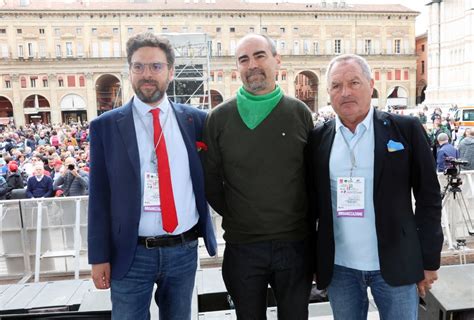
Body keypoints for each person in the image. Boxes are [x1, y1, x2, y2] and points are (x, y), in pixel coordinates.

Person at [87, 32, 216, 320]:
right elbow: (99, 196)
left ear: (170, 71)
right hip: (130, 254)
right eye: (139, 66)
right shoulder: (105, 127)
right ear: (129, 70)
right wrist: (98, 257)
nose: (147, 74)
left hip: (183, 250)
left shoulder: (196, 121)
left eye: (156, 66)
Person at [306, 54, 443, 320]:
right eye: (336, 86)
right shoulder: (318, 139)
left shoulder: (405, 130)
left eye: (354, 82)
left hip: (396, 263)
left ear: (371, 85)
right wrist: (313, 261)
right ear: (328, 93)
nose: (345, 92)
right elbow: (310, 207)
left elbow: (428, 198)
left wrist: (429, 260)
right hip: (340, 269)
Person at [203, 34, 314, 319]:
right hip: (243, 247)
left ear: (277, 61)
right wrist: (242, 214)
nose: (252, 64)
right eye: (244, 59)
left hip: (295, 246)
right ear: (237, 68)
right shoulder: (219, 118)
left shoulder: (300, 113)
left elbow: (312, 178)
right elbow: (211, 182)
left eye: (259, 56)